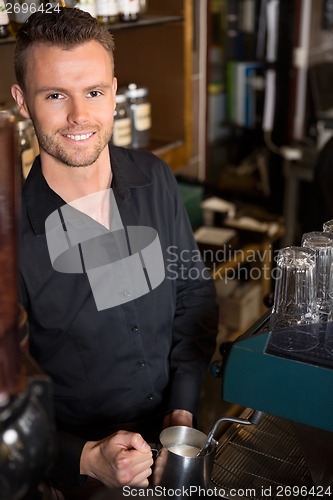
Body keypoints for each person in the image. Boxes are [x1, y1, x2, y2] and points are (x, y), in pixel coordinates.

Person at [11, 7, 218, 498]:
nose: (79, 116)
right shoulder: (10, 235)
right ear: (22, 102)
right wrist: (83, 458)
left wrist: (181, 412)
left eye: (95, 93)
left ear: (115, 90)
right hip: (78, 478)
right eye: (56, 95)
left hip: (174, 447)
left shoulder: (156, 179)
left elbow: (194, 297)